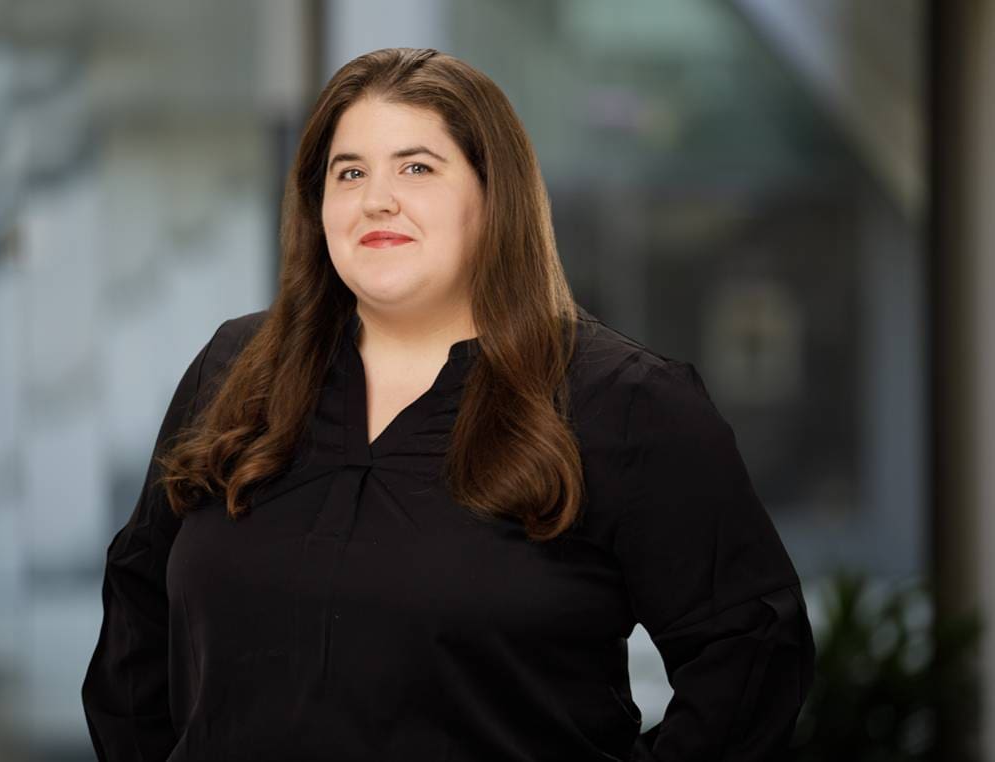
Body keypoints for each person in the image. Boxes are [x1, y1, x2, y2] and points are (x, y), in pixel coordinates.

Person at [81, 47, 814, 762]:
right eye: (349, 172)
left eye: (417, 167)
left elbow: (750, 651)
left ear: (493, 198)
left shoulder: (625, 403)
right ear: (318, 204)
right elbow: (137, 610)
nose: (377, 198)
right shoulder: (235, 369)